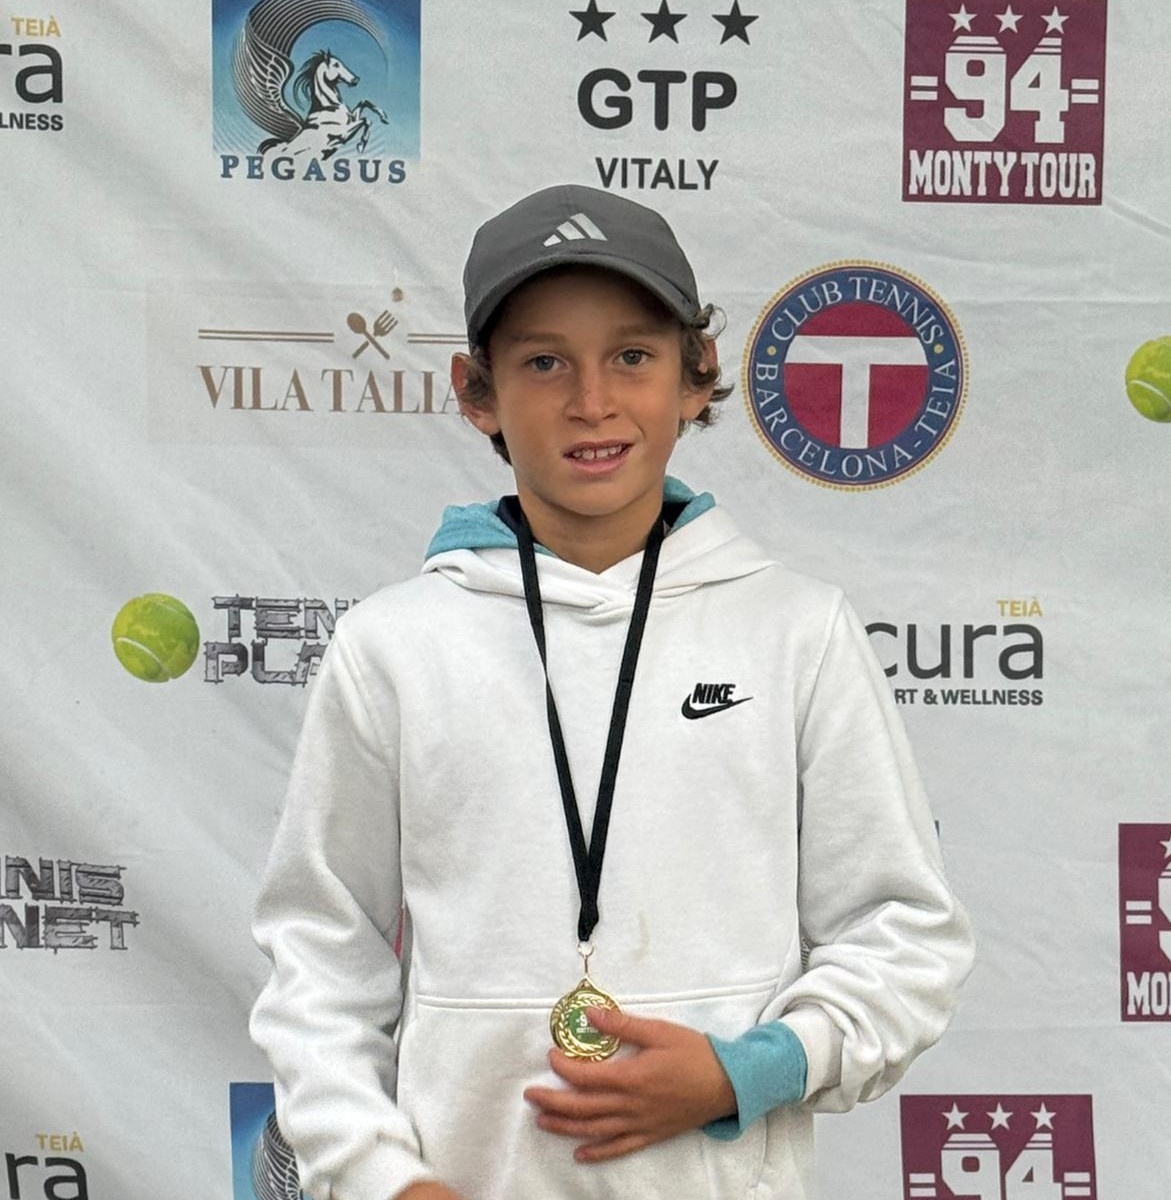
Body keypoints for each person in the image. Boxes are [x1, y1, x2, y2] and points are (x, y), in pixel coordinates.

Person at [249, 184, 974, 1200]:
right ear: (477, 392)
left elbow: (903, 933)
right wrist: (382, 1180)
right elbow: (320, 960)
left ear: (697, 375)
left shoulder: (799, 631)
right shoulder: (393, 646)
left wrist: (745, 1070)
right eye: (544, 362)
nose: (592, 401)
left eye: (631, 356)